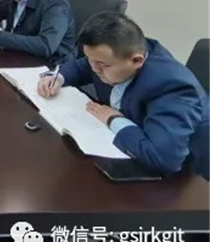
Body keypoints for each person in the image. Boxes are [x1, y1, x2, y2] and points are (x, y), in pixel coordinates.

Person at [37, 13, 209, 179]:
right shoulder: (118, 54)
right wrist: (57, 77)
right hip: (131, 147)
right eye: (91, 59)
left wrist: (113, 119)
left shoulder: (171, 87)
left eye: (103, 65)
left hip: (189, 179)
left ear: (137, 61)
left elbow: (162, 158)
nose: (95, 69)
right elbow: (84, 66)